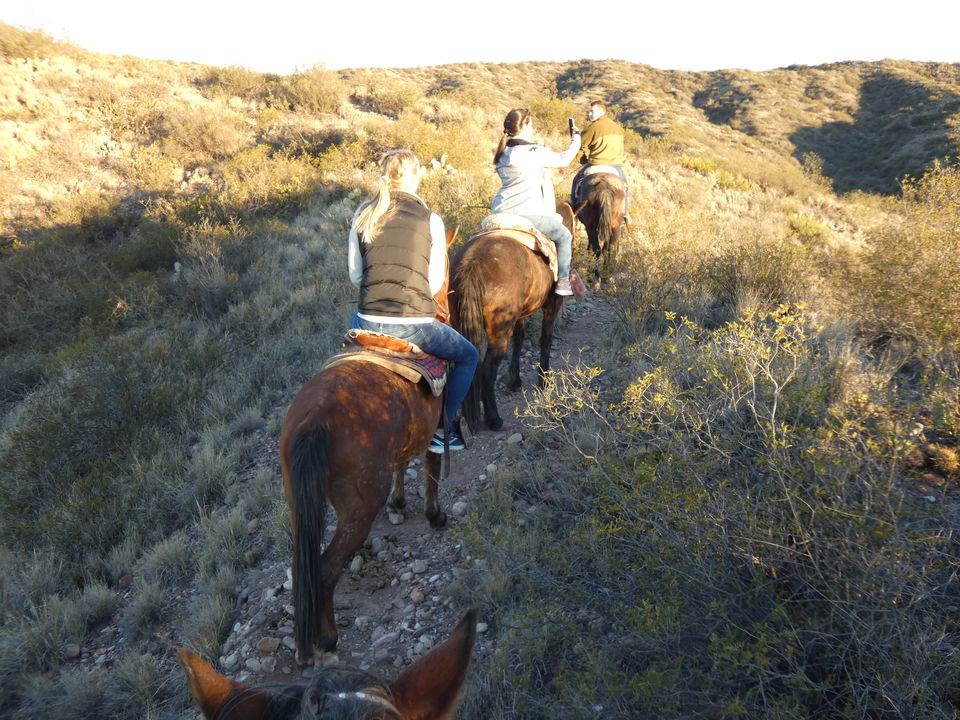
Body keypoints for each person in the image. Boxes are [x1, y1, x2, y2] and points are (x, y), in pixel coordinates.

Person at [347, 149, 478, 453]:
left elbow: (356, 277)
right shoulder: (430, 219)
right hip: (413, 324)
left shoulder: (363, 213)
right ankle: (442, 428)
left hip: (366, 320)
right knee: (468, 356)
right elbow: (433, 283)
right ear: (416, 177)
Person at [491, 108, 581, 295]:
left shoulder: (502, 154)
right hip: (529, 214)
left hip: (500, 211)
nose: (532, 127)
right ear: (524, 126)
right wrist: (576, 140)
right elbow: (564, 159)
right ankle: (563, 281)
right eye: (530, 123)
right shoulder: (534, 151)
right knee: (564, 237)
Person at [570, 100, 629, 220]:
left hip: (596, 164)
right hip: (616, 166)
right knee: (624, 187)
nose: (589, 114)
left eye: (592, 111)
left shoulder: (592, 128)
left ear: (601, 111)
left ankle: (573, 213)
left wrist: (584, 162)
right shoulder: (618, 128)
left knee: (576, 181)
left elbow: (579, 148)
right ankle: (624, 215)